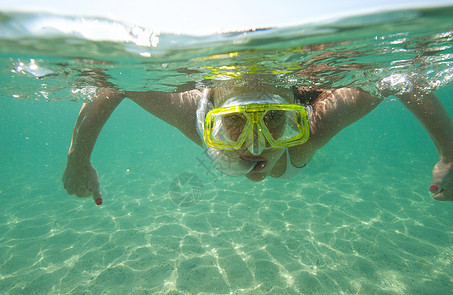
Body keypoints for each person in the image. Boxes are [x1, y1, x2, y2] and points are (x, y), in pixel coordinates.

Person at [62, 81, 453, 205]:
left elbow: (398, 80)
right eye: (232, 123)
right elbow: (116, 82)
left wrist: (452, 154)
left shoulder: (311, 131)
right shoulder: (192, 117)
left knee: (311, 154)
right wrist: (76, 159)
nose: (256, 144)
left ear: (297, 113)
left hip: (301, 153)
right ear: (208, 117)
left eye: (273, 120)